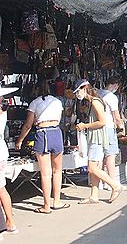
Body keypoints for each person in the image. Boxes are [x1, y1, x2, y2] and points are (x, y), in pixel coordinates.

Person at [16, 81, 68, 213]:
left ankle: (46, 206)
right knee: (57, 170)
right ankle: (56, 201)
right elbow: (60, 118)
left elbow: (28, 125)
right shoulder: (57, 102)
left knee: (45, 174)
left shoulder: (35, 103)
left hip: (43, 134)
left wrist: (20, 140)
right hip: (56, 133)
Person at [74, 80, 122, 204]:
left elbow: (102, 121)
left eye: (78, 91)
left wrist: (85, 126)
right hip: (96, 137)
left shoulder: (95, 101)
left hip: (97, 138)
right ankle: (94, 195)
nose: (78, 94)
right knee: (95, 167)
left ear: (84, 88)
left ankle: (114, 185)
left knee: (91, 168)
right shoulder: (94, 100)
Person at [98, 77, 124, 190]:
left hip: (97, 128)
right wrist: (120, 126)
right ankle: (111, 182)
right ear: (114, 85)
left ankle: (99, 182)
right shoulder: (112, 97)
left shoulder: (98, 93)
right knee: (110, 155)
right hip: (108, 127)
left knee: (99, 156)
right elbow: (116, 115)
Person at [0, 88, 18, 233]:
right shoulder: (3, 112)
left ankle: (9, 222)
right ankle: (10, 221)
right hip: (2, 151)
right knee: (1, 189)